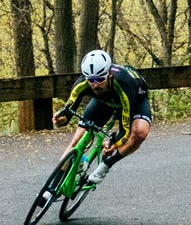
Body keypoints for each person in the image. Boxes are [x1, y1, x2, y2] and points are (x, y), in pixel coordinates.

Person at [54, 49, 152, 185]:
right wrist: (63, 119)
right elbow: (69, 109)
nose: (95, 84)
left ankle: (106, 165)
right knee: (77, 140)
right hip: (104, 100)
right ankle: (52, 186)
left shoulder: (124, 83)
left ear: (109, 74)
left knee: (139, 132)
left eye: (100, 79)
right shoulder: (83, 83)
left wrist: (115, 143)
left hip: (135, 99)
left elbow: (125, 128)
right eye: (91, 80)